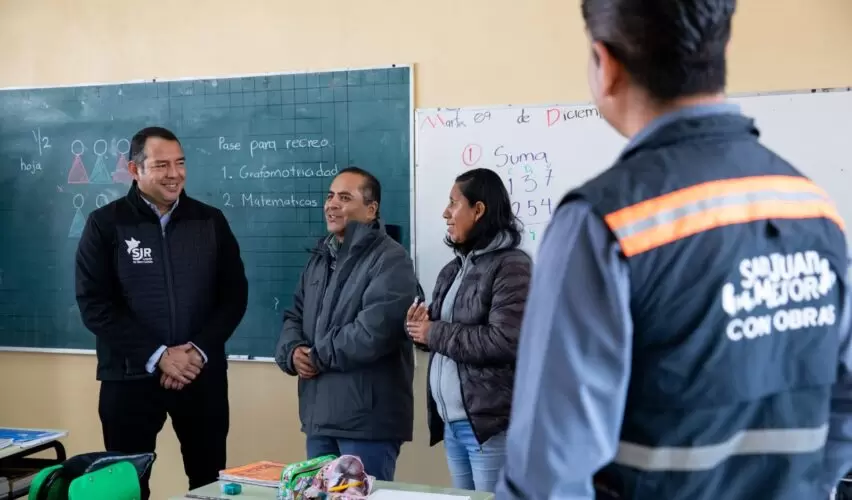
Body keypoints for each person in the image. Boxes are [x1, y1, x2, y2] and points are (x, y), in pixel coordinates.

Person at [496, 1, 852, 499]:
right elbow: (842, 410)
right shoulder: (813, 209)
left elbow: (549, 476)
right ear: (722, 50)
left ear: (606, 64)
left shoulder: (603, 223)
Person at [75, 126, 248, 499]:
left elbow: (234, 296)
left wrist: (195, 352)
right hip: (128, 379)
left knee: (209, 484)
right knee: (126, 488)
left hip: (200, 376)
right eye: (161, 165)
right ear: (134, 169)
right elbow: (94, 305)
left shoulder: (210, 221)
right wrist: (158, 356)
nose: (174, 174)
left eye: (180, 163)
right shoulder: (106, 224)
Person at [274, 166, 418, 481]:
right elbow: (294, 315)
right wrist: (293, 351)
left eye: (344, 197)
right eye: (330, 196)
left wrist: (316, 355)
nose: (332, 204)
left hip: (366, 424)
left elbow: (373, 333)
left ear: (371, 209)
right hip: (319, 417)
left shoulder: (391, 259)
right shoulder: (320, 258)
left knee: (362, 497)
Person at [406, 168, 531, 493]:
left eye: (453, 203)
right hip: (453, 423)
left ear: (478, 210)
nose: (445, 213)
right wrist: (418, 329)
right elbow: (439, 335)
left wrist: (432, 332)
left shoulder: (512, 266)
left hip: (489, 426)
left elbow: (504, 341)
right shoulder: (452, 270)